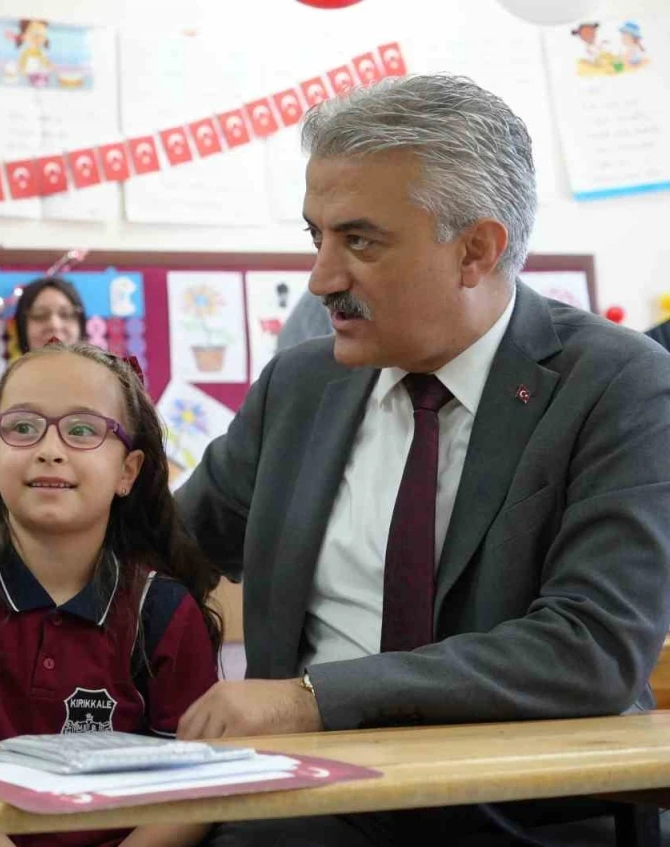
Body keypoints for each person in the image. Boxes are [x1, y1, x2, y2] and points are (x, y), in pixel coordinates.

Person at [174, 75, 670, 844]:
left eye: (359, 241)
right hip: (302, 813)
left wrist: (311, 698)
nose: (321, 279)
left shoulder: (620, 384)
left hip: (526, 816)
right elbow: (165, 550)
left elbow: (589, 648)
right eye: (317, 237)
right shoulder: (298, 386)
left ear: (475, 250)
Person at [0, 341, 221, 847]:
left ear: (128, 471)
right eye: (23, 427)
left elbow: (191, 796)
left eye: (82, 430)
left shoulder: (164, 611)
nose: (49, 449)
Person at [0, 277, 86, 439]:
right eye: (40, 315)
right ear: (22, 327)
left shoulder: (105, 389)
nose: (54, 324)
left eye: (66, 314)